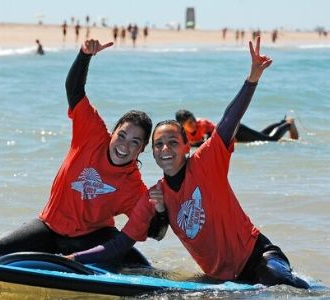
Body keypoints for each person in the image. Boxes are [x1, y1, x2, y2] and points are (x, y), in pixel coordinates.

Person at [65, 37, 310, 289]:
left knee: (276, 281)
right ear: (152, 153)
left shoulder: (205, 163)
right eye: (158, 144)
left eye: (173, 142)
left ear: (186, 147)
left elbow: (229, 120)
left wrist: (252, 80)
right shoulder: (156, 196)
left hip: (260, 258)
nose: (165, 148)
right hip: (222, 279)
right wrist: (73, 259)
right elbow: (121, 243)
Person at [0, 39, 165, 261]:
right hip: (48, 228)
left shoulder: (133, 185)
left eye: (135, 142)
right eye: (122, 135)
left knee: (139, 265)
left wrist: (162, 209)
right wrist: (84, 55)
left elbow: (154, 232)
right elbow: (74, 89)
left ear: (142, 149)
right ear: (113, 132)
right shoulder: (92, 134)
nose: (124, 146)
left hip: (93, 237)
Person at [175, 109, 299, 147]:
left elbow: (207, 141)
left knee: (271, 139)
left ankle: (288, 124)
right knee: (261, 135)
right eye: (189, 123)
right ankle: (282, 122)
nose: (193, 124)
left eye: (193, 120)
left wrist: (191, 145)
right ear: (182, 125)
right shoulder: (184, 133)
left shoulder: (202, 124)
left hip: (236, 131)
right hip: (234, 135)